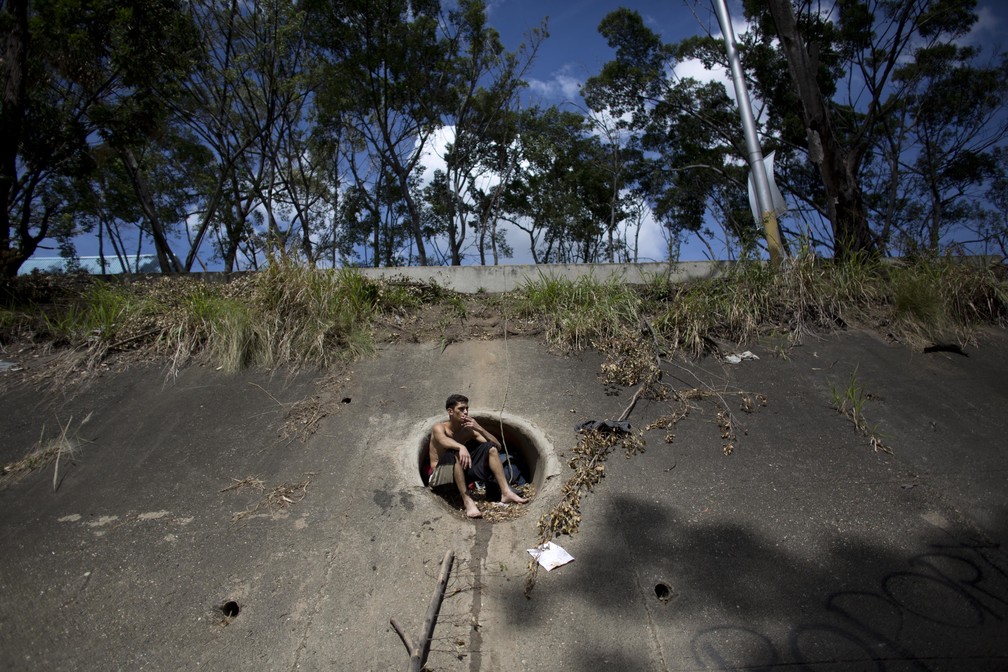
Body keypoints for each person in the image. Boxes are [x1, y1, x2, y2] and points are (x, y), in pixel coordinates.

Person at [428, 393, 528, 518]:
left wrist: (479, 428)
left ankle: (506, 492)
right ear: (450, 411)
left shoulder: (467, 430)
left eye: (466, 409)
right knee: (454, 452)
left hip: (459, 474)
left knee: (489, 448)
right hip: (440, 478)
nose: (465, 412)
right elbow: (443, 440)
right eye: (461, 409)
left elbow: (497, 446)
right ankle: (467, 501)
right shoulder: (439, 428)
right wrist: (461, 446)